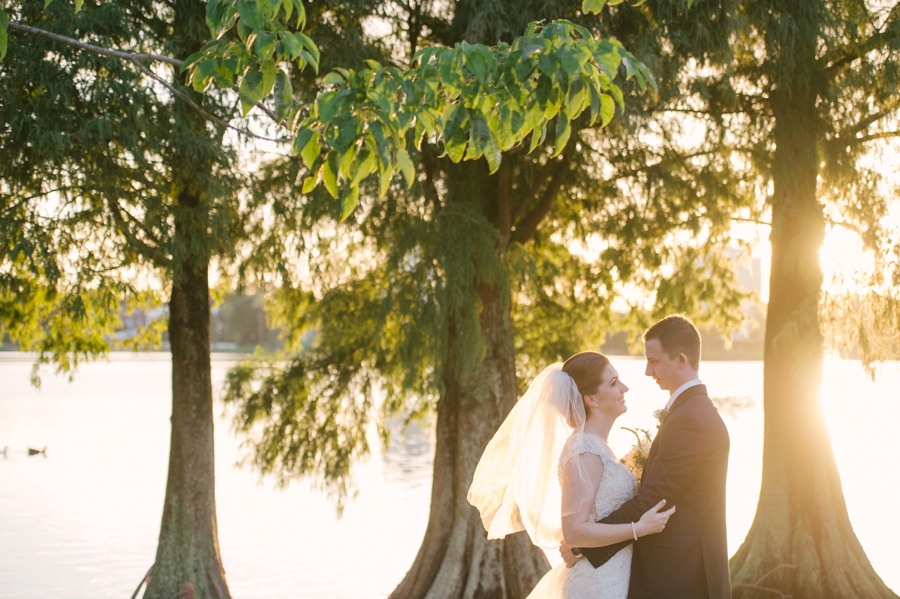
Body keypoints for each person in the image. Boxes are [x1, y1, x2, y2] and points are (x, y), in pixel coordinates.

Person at [468, 351, 674, 599]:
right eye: (613, 383)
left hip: (612, 576)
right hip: (598, 585)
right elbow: (574, 532)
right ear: (591, 399)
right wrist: (638, 529)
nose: (625, 387)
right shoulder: (584, 449)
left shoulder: (597, 446)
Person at [564, 315, 731, 599]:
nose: (646, 372)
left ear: (680, 360)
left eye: (653, 361)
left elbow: (654, 499)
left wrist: (583, 543)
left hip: (681, 576)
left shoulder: (689, 418)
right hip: (675, 572)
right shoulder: (691, 411)